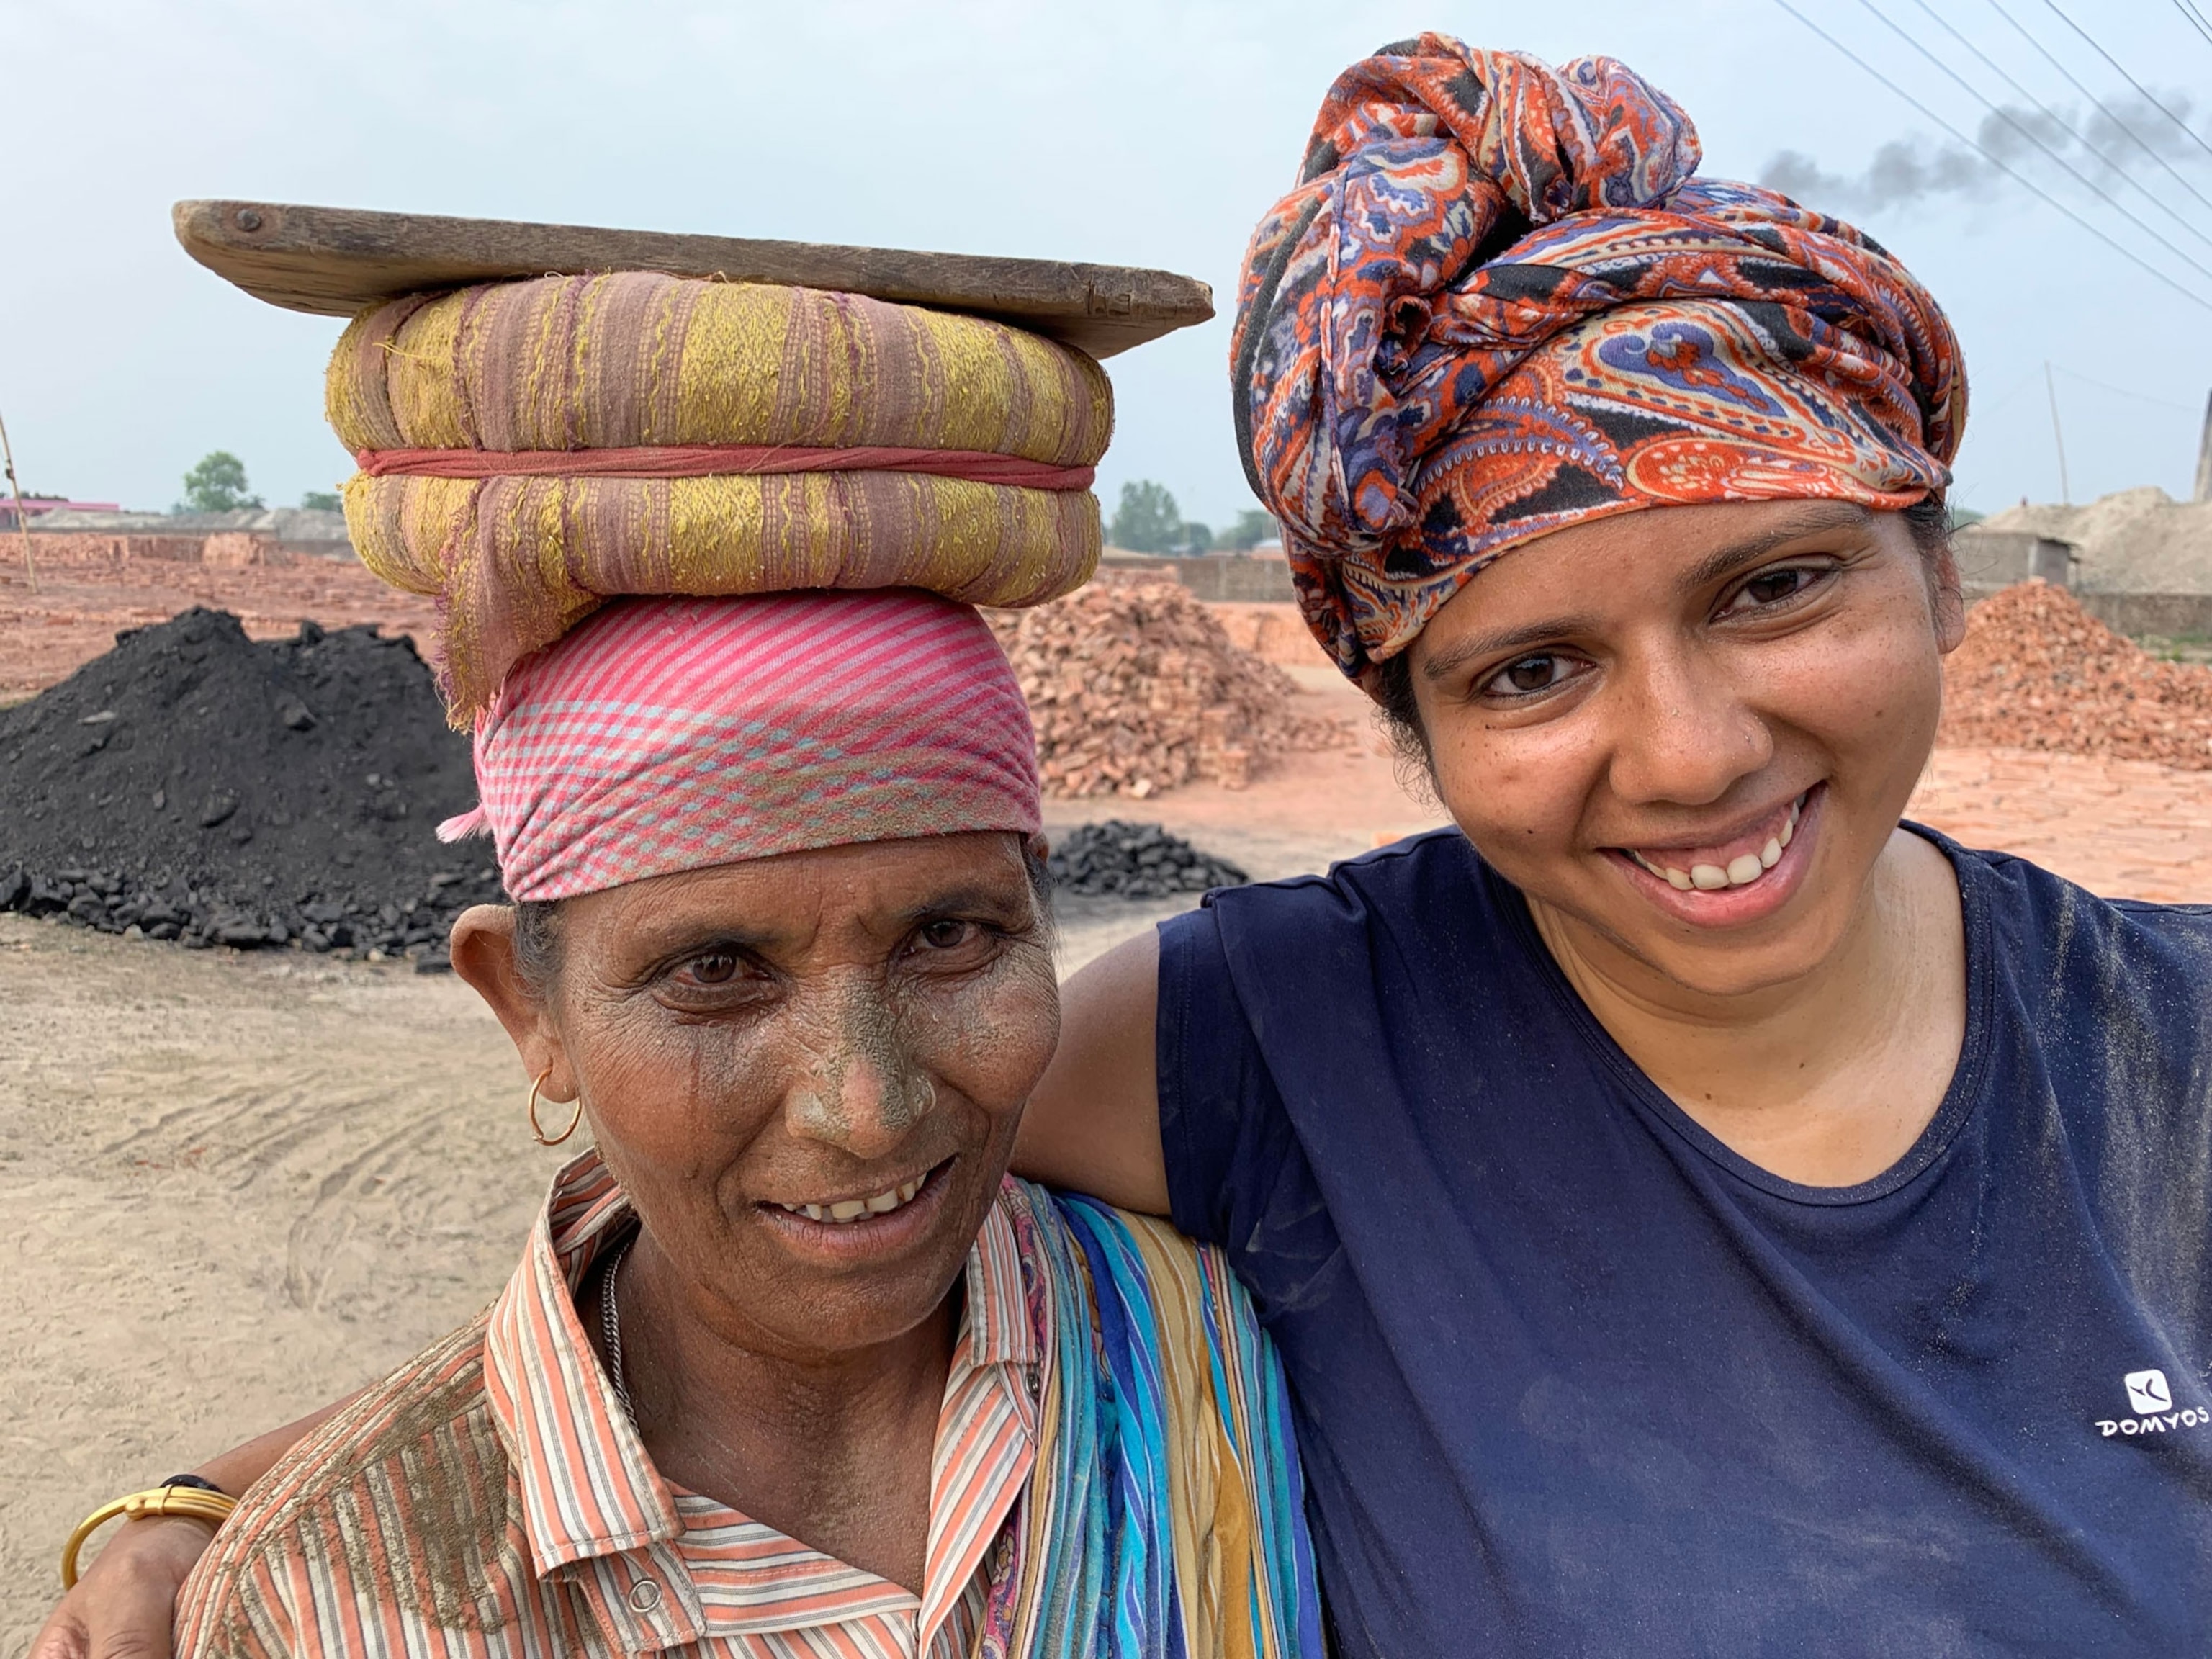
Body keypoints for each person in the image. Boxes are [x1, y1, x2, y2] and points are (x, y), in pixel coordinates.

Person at [37, 33, 2212, 1659]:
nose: (1688, 750)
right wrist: (224, 1498)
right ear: (1410, 720)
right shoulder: (1292, 1037)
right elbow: (738, 1223)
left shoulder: (2172, 1066)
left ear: (1942, 575)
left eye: (1777, 589)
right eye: (1529, 671)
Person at [40, 267, 1320, 1659]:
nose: (868, 1108)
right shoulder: (327, 1608)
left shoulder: (1205, 1347)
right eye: (716, 969)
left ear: (1043, 911)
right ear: (526, 1007)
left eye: (951, 937)